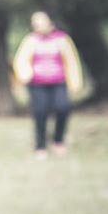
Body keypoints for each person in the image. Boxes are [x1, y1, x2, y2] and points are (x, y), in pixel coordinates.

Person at [13, 11, 83, 159]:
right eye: (35, 24)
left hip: (58, 82)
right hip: (37, 84)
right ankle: (40, 145)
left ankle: (58, 140)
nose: (37, 27)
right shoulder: (31, 40)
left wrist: (75, 83)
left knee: (63, 108)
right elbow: (21, 60)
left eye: (39, 23)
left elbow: (71, 61)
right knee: (40, 112)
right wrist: (26, 75)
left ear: (50, 23)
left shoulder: (62, 40)